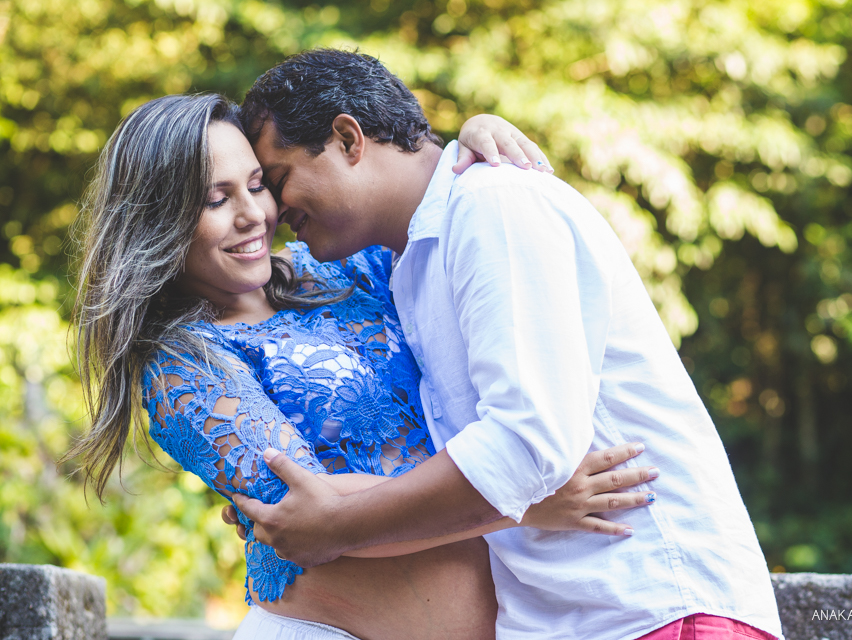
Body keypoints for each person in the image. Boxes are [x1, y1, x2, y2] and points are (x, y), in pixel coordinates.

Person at [232, 49, 785, 640]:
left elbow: (527, 443)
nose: (272, 210)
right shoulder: (405, 263)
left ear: (348, 139)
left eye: (278, 180)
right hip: (569, 620)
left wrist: (339, 525)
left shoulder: (493, 204)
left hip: (658, 608)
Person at [66, 92, 659, 640]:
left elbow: (415, 200)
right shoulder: (183, 364)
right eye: (216, 200)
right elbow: (311, 512)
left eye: (258, 185)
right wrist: (522, 501)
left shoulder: (340, 267)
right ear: (157, 221)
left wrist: (472, 139)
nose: (254, 214)